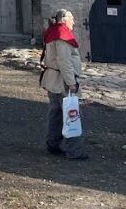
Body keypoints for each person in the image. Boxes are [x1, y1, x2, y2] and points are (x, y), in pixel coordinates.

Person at [39, 9, 88, 161]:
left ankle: (53, 143)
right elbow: (64, 61)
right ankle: (74, 151)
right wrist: (71, 83)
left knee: (57, 114)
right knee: (71, 115)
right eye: (71, 18)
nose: (73, 21)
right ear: (63, 19)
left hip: (54, 80)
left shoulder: (53, 32)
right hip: (61, 81)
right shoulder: (61, 35)